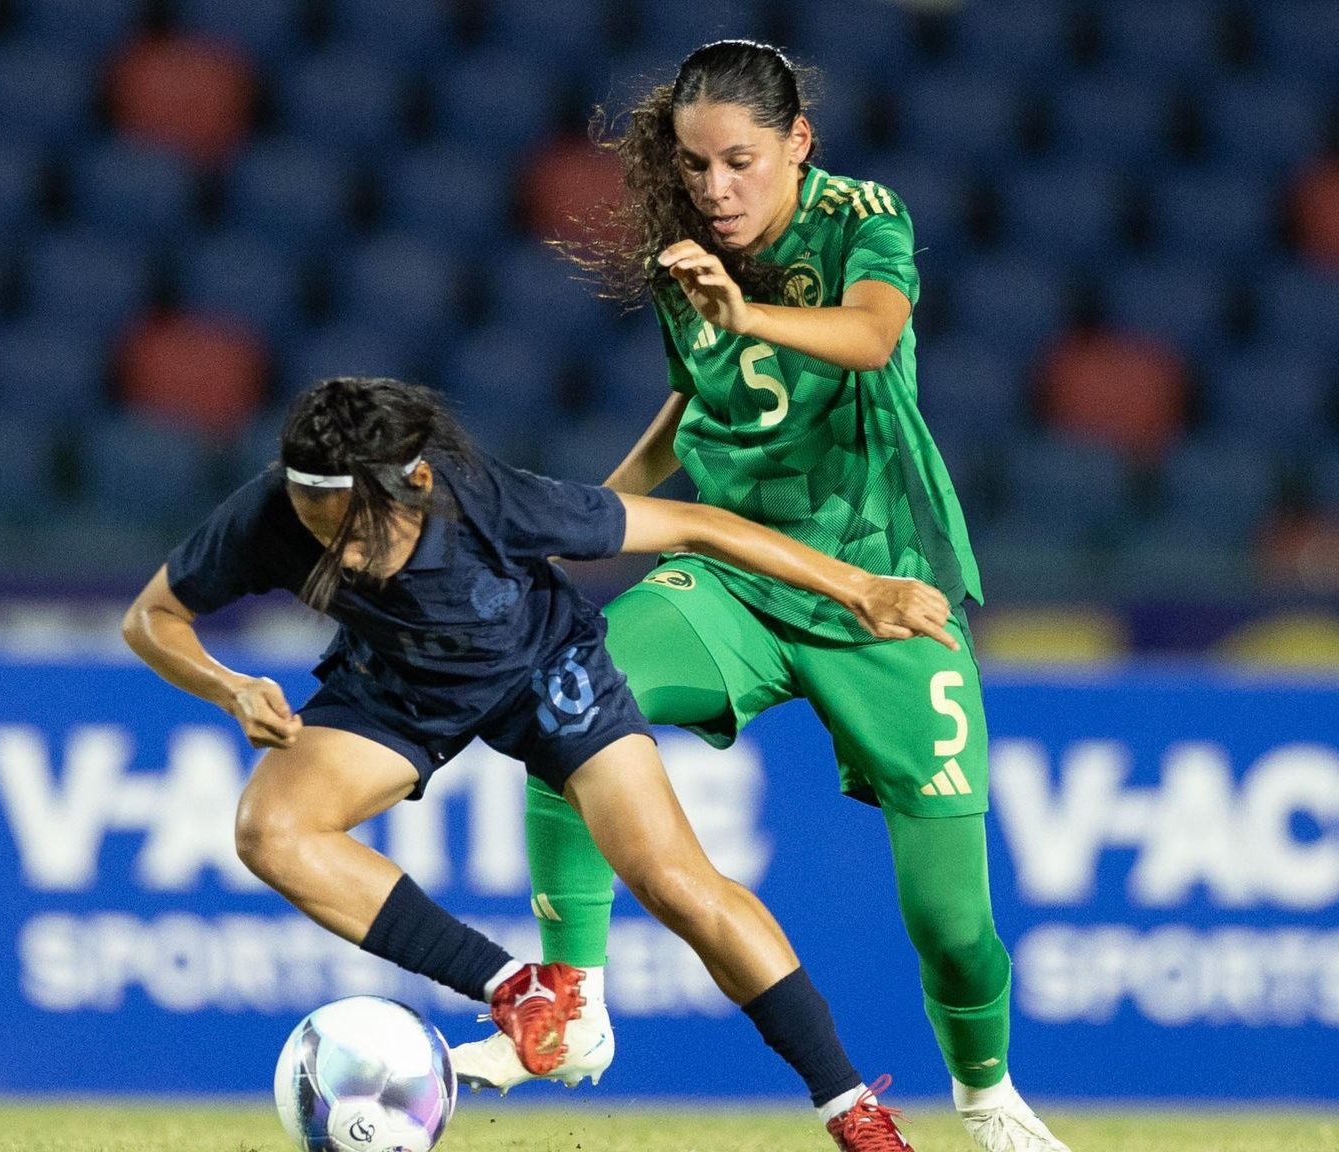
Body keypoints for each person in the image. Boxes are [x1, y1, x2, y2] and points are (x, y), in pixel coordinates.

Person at [446, 40, 1071, 1152]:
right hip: (736, 574)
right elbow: (695, 408)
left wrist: (746, 315)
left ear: (797, 145)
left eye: (739, 161)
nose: (715, 190)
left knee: (950, 922)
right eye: (693, 168)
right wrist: (587, 523)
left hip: (880, 592)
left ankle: (985, 1099)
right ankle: (573, 1005)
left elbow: (873, 337)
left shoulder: (860, 219)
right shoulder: (680, 261)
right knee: (562, 697)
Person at [123, 377, 959, 1150]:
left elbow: (700, 524)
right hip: (399, 691)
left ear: (412, 486)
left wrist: (859, 588)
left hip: (552, 680)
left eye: (350, 528)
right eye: (312, 521)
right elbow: (152, 619)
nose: (335, 554)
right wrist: (228, 687)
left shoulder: (489, 502)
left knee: (674, 881)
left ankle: (851, 1108)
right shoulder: (276, 508)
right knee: (271, 831)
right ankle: (517, 986)